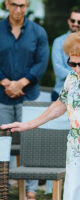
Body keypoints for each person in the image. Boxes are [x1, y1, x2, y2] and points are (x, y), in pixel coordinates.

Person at [1, 31, 80, 200]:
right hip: (78, 152)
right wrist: (29, 124)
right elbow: (60, 104)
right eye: (72, 63)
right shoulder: (73, 76)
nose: (76, 69)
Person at [0, 0, 49, 199]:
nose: (18, 9)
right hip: (2, 98)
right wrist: (6, 83)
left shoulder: (38, 32)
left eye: (22, 5)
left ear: (27, 5)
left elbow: (41, 62)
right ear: (6, 5)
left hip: (29, 97)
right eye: (14, 4)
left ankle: (31, 190)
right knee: (2, 144)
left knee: (32, 144)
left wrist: (20, 83)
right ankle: (2, 188)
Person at [51, 8, 80, 101]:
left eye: (79, 22)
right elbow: (58, 70)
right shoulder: (58, 42)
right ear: (68, 21)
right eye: (73, 20)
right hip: (60, 93)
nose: (75, 24)